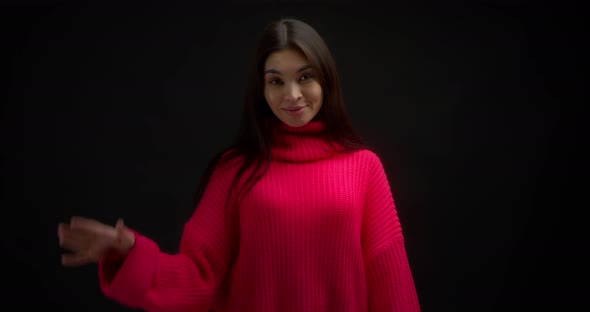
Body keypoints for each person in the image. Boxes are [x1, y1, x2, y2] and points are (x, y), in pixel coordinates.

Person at [57, 18, 421, 312]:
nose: (292, 95)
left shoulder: (363, 168)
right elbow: (199, 276)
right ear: (261, 92)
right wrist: (131, 253)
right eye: (276, 81)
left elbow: (390, 281)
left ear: (326, 80)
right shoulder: (237, 170)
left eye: (305, 77)